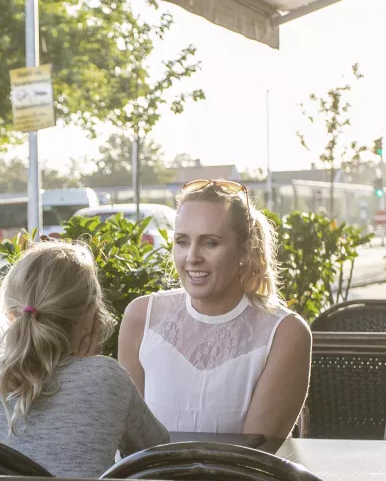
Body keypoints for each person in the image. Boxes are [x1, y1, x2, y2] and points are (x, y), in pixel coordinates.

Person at [118, 179, 312, 440]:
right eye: (183, 241)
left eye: (210, 243)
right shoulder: (141, 317)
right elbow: (130, 441)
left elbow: (255, 459)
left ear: (244, 250)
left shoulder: (285, 333)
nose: (192, 257)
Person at [0, 242, 169, 478]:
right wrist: (89, 369)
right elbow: (158, 453)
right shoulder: (106, 378)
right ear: (91, 317)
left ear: (12, 316)